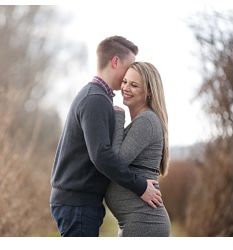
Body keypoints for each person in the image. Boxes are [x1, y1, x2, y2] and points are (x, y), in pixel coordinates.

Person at [49, 35, 163, 236]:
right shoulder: (96, 99)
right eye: (130, 66)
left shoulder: (96, 97)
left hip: (80, 205)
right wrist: (140, 187)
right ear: (115, 62)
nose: (131, 72)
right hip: (78, 205)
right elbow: (101, 154)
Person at [107, 61, 171, 236]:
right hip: (137, 222)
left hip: (145, 222)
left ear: (149, 91)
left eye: (134, 85)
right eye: (125, 82)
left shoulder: (146, 121)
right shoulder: (142, 121)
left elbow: (116, 162)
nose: (126, 88)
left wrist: (118, 118)